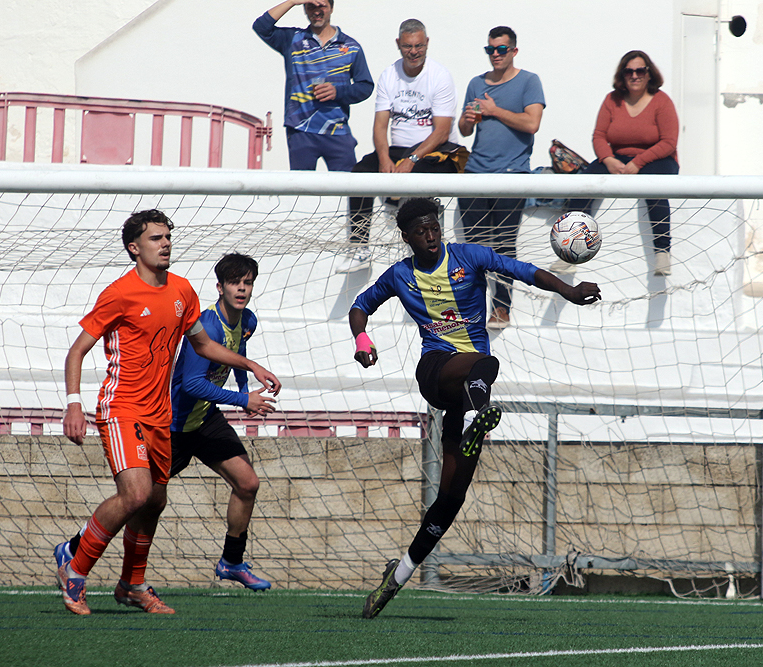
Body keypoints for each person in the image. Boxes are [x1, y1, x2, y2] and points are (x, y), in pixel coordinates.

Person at [349, 198, 600, 618]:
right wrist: (362, 341)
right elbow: (360, 306)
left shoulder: (469, 256)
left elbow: (524, 271)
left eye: (435, 227)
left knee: (449, 500)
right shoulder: (400, 276)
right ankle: (478, 418)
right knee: (486, 363)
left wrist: (569, 291)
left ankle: (395, 581)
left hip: (464, 398)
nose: (431, 235)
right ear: (406, 237)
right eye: (421, 231)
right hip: (437, 374)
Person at [56, 210, 281, 615]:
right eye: (156, 238)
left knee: (154, 501)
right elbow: (78, 350)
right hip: (122, 408)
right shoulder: (119, 293)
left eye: (167, 237)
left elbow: (204, 346)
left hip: (161, 415)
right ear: (134, 248)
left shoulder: (182, 290)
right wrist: (74, 404)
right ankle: (74, 567)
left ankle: (132, 585)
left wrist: (251, 366)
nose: (165, 244)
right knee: (137, 493)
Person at [336, 19, 466, 275]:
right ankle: (360, 246)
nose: (414, 51)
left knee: (424, 177)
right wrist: (384, 159)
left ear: (427, 43)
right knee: (361, 171)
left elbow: (441, 132)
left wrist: (412, 160)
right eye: (408, 46)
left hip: (436, 151)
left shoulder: (439, 76)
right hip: (399, 149)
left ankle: (431, 250)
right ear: (398, 44)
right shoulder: (389, 75)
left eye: (419, 45)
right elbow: (379, 126)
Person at [457, 26, 545, 330]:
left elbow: (532, 123)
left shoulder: (529, 82)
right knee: (474, 248)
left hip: (512, 175)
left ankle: (501, 308)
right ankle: (472, 309)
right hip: (475, 174)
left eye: (502, 49)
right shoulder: (476, 83)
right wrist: (467, 121)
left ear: (514, 51)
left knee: (505, 245)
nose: (495, 54)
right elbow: (465, 131)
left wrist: (495, 110)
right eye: (490, 49)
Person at [570, 50, 679, 277]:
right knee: (582, 185)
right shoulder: (612, 100)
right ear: (622, 75)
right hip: (618, 159)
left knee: (655, 186)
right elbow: (599, 136)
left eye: (640, 70)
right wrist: (608, 159)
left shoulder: (662, 101)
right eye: (629, 71)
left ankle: (662, 252)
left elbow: (669, 142)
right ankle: (572, 249)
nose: (635, 75)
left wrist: (639, 162)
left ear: (649, 73)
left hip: (657, 159)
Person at [253, 0, 373, 171]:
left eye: (322, 6)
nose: (317, 11)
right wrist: (292, 1)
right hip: (301, 131)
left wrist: (337, 92)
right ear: (304, 9)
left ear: (331, 7)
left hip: (337, 131)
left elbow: (365, 86)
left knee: (349, 189)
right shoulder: (293, 39)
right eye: (311, 6)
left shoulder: (350, 46)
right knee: (300, 191)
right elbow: (261, 26)